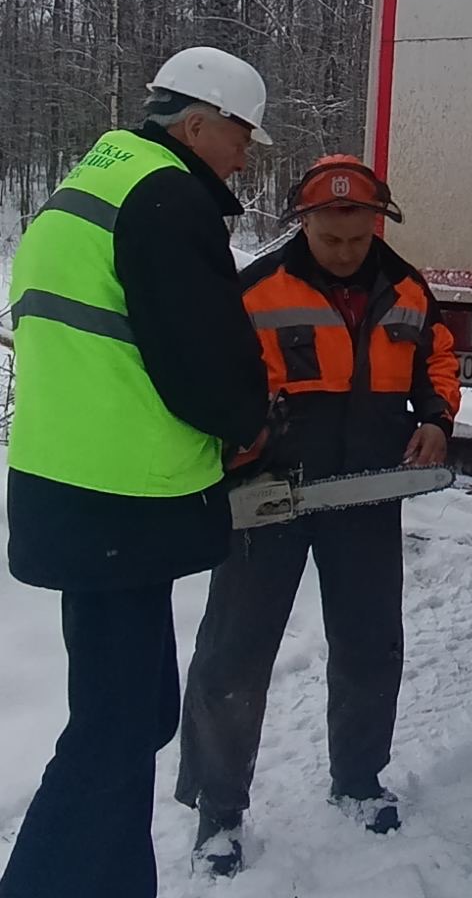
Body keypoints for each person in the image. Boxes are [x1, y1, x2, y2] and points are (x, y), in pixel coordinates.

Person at [0, 48, 271, 898]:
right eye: (241, 137)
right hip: (122, 502)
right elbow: (203, 354)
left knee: (138, 713)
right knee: (111, 732)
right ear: (196, 125)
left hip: (70, 493)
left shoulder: (92, 183)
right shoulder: (166, 197)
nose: (245, 157)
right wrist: (250, 420)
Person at [176, 154, 462, 877]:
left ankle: (359, 780)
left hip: (363, 490)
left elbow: (437, 359)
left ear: (377, 225)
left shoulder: (406, 288)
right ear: (304, 222)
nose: (344, 252)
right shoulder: (257, 289)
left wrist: (437, 419)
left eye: (358, 238)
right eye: (331, 238)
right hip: (267, 491)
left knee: (370, 644)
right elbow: (218, 377)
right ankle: (218, 810)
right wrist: (244, 437)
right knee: (234, 653)